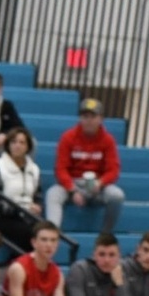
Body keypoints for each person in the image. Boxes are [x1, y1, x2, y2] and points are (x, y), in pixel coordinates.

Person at [46, 98, 124, 234]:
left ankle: (105, 234)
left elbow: (113, 170)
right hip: (72, 183)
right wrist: (72, 190)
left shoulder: (108, 140)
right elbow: (61, 169)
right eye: (85, 116)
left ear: (101, 119)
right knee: (52, 194)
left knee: (117, 196)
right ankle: (53, 235)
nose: (88, 120)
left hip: (97, 185)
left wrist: (100, 183)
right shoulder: (68, 137)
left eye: (93, 116)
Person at [0, 127, 42, 254]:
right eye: (14, 142)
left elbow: (37, 196)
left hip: (27, 216)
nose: (18, 146)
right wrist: (21, 210)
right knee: (30, 233)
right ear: (8, 145)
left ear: (28, 146)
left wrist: (37, 206)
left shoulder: (34, 169)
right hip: (0, 217)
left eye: (22, 142)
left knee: (46, 231)